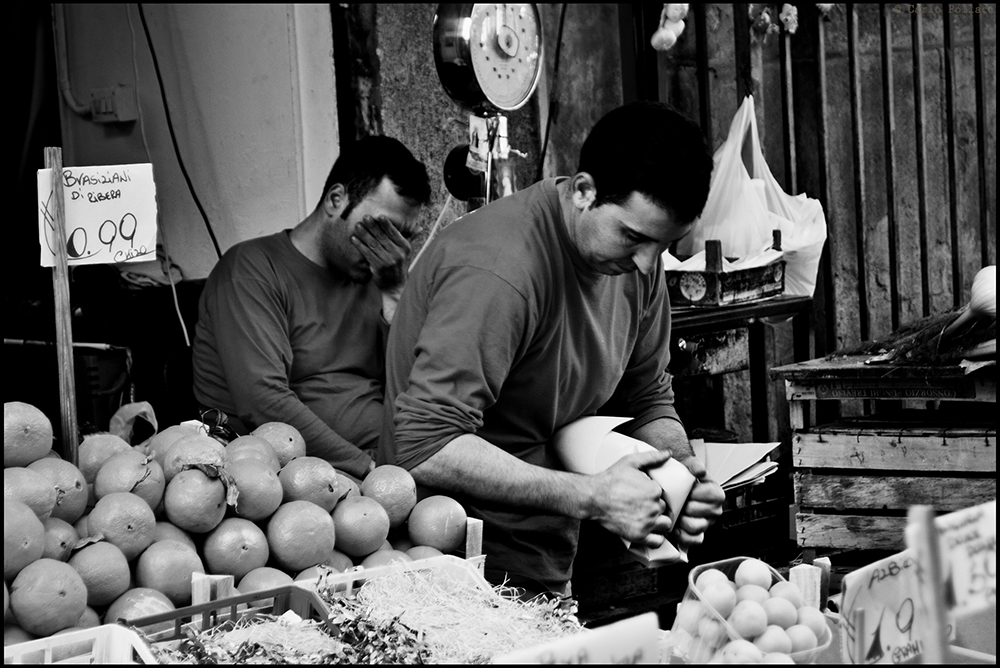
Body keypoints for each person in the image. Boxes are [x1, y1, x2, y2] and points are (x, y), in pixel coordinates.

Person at [379, 102, 725, 597]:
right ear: (583, 191)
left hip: (547, 554)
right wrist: (591, 496)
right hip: (451, 569)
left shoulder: (636, 265)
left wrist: (678, 475)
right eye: (633, 237)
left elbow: (647, 396)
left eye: (665, 245)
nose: (649, 264)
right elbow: (423, 446)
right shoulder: (498, 272)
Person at [193, 135, 431, 479]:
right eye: (382, 230)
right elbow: (264, 403)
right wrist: (369, 468)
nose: (392, 249)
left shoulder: (381, 275)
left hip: (394, 458)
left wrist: (396, 294)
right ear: (336, 200)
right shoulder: (253, 270)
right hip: (304, 474)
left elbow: (419, 388)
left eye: (405, 237)